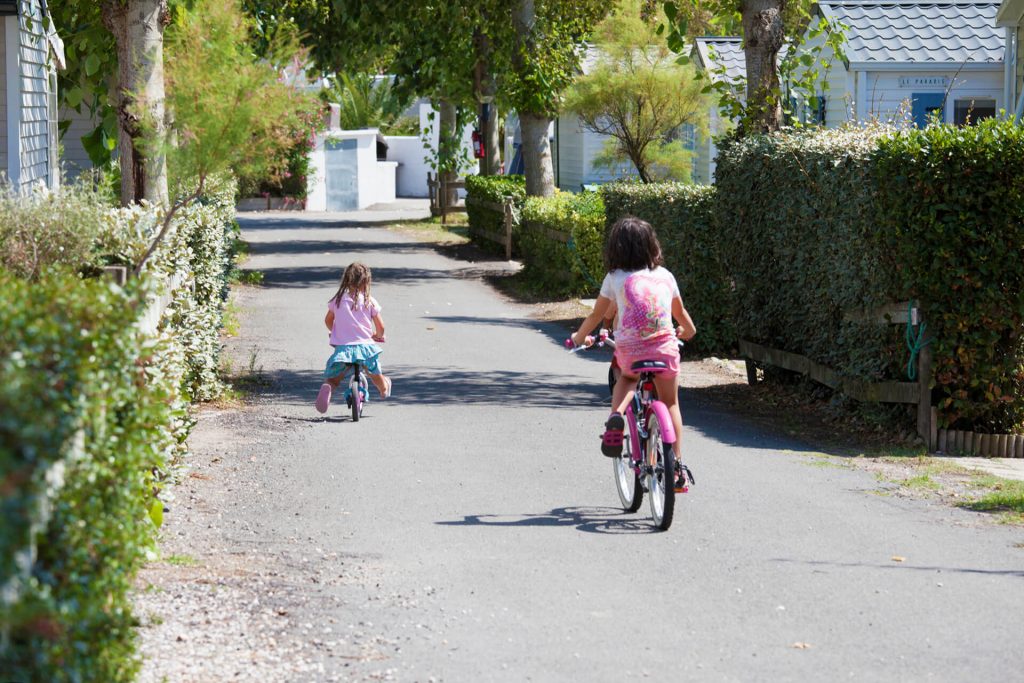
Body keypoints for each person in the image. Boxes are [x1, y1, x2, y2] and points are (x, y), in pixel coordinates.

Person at [571, 216, 696, 487]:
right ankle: (676, 467)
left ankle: (616, 416)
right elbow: (680, 314)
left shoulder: (614, 278)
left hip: (631, 350)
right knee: (672, 403)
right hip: (664, 348)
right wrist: (688, 329)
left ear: (615, 248)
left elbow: (597, 315)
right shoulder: (666, 276)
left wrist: (579, 336)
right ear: (652, 246)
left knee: (627, 378)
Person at [315, 263, 392, 413]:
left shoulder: (338, 300)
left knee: (334, 378)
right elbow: (381, 327)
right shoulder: (369, 300)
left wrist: (337, 331)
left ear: (347, 280)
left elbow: (328, 320)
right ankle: (384, 388)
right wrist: (377, 336)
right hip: (365, 348)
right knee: (375, 373)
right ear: (366, 282)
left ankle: (328, 387)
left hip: (344, 349)